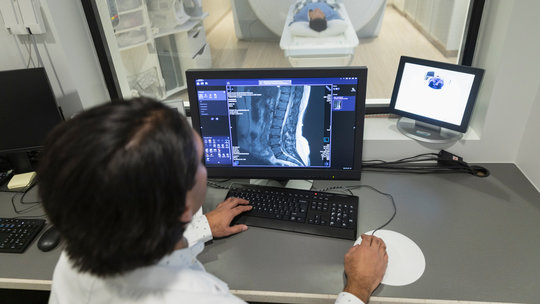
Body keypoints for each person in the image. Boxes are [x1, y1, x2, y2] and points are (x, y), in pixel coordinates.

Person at [37, 97, 387, 304]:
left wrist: (201, 228)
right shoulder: (197, 298)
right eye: (201, 162)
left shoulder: (74, 258)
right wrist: (357, 288)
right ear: (182, 207)